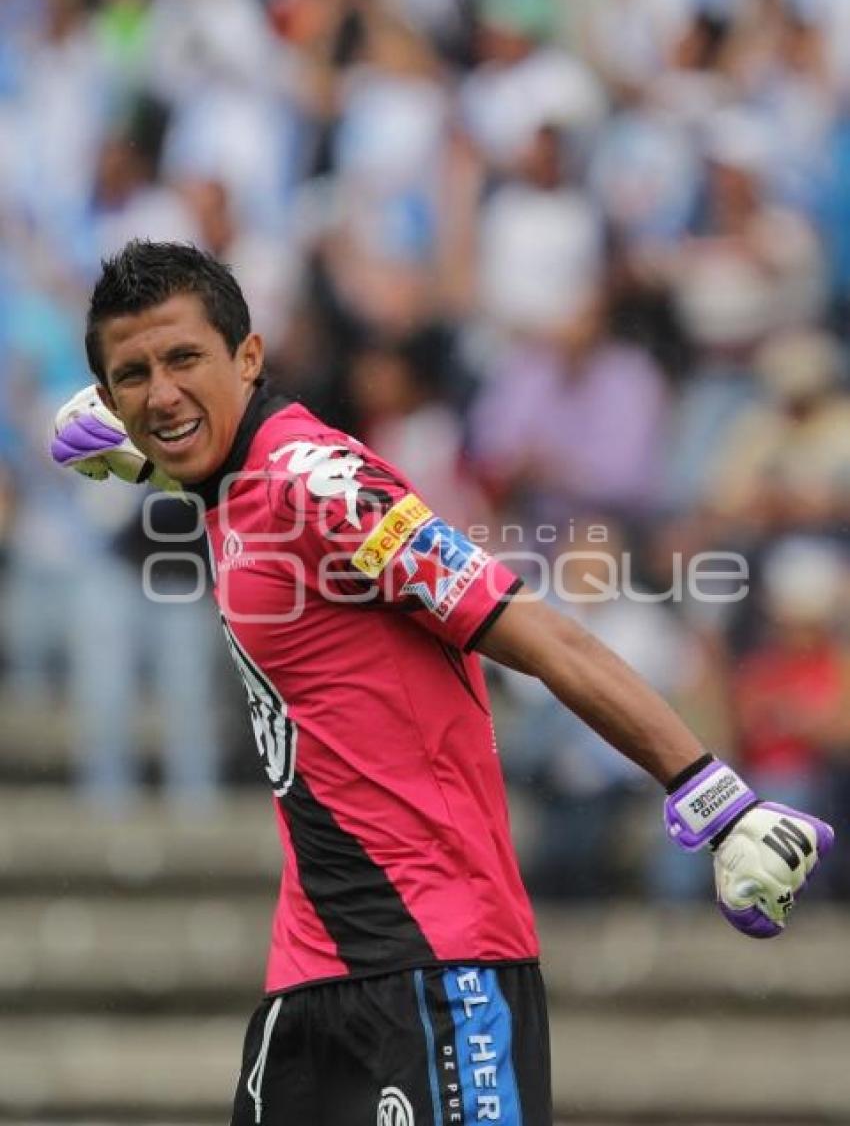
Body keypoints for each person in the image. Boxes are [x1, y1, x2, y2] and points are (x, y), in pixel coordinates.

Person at [51, 241, 833, 1126]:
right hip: (310, 975)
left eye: (184, 359)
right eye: (133, 374)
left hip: (439, 966)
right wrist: (156, 453)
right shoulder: (233, 482)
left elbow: (539, 631)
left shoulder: (323, 484)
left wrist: (712, 793)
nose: (159, 391)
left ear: (251, 357)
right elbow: (242, 503)